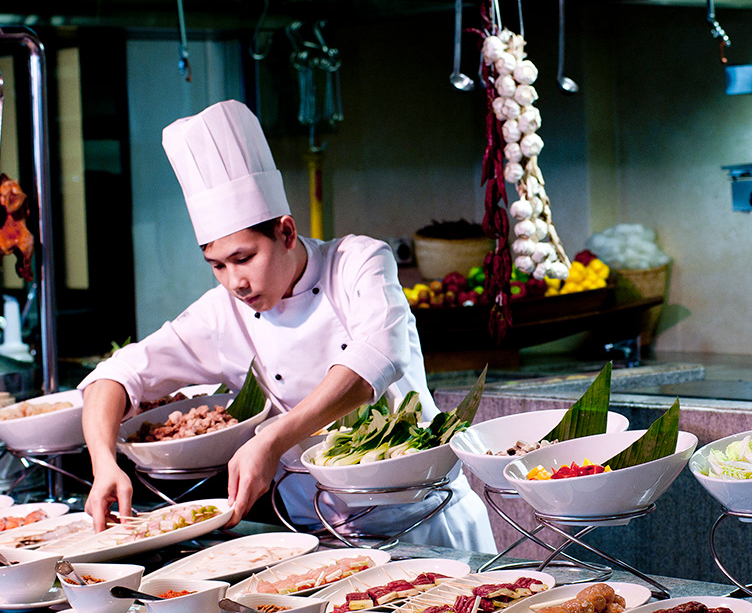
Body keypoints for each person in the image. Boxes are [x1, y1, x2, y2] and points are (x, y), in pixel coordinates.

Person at [79, 100, 495, 552]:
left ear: (287, 232)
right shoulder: (222, 312)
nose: (235, 281)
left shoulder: (358, 262)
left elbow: (377, 359)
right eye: (216, 265)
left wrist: (273, 439)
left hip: (426, 526)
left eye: (244, 258)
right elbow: (115, 375)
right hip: (316, 542)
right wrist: (104, 463)